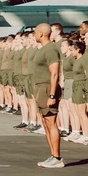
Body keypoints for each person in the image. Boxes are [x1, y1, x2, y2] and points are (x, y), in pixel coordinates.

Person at [33, 23, 64, 168]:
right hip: (40, 87)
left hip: (47, 88)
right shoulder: (44, 49)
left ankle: (57, 157)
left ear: (41, 34)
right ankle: (52, 155)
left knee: (51, 123)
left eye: (35, 32)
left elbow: (55, 73)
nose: (33, 34)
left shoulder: (51, 49)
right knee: (45, 123)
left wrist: (52, 95)